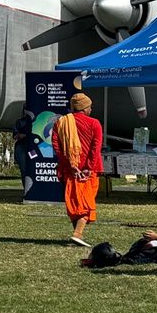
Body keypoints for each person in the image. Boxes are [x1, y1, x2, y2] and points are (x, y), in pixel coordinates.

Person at [52, 93, 103, 248]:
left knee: (75, 203)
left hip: (70, 170)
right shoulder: (94, 123)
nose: (91, 109)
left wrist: (70, 166)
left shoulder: (61, 123)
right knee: (86, 204)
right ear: (85, 108)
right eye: (90, 107)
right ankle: (77, 234)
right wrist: (88, 168)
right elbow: (95, 148)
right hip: (89, 171)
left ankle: (77, 236)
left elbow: (57, 147)